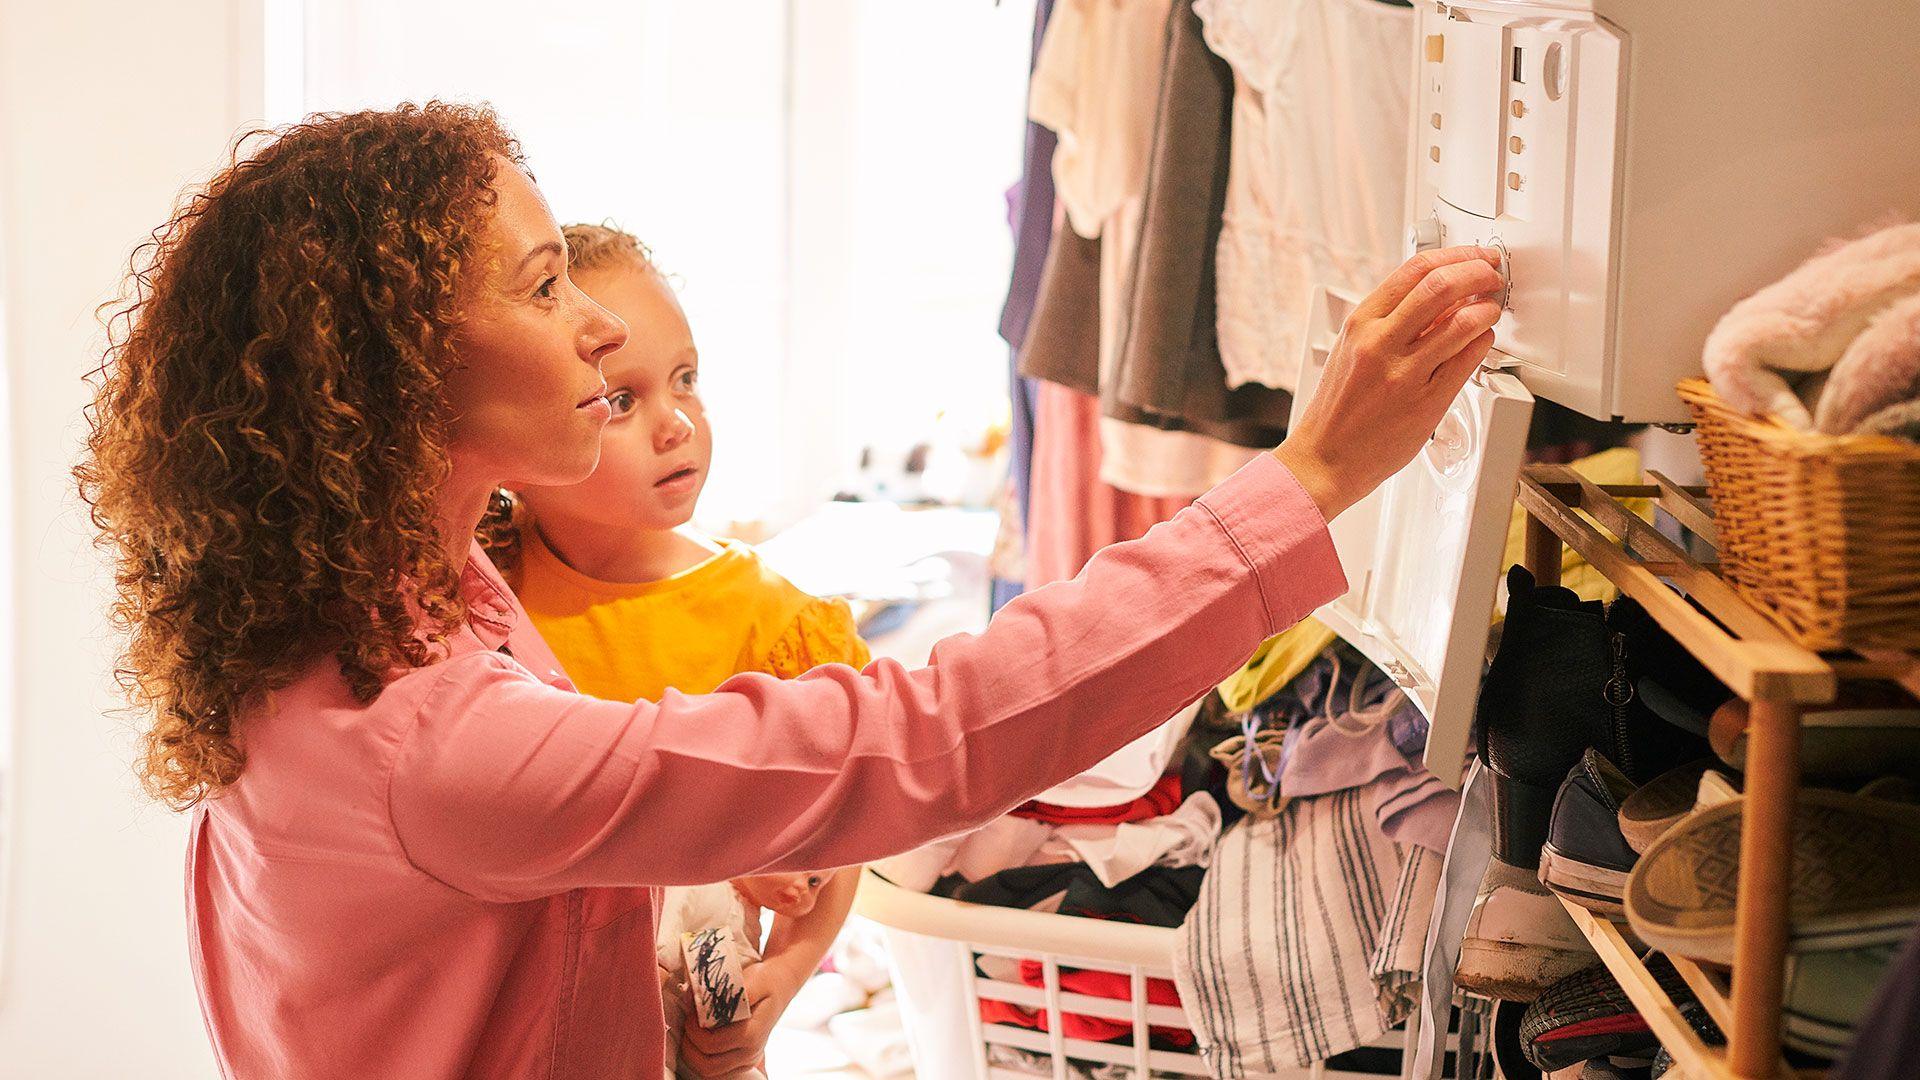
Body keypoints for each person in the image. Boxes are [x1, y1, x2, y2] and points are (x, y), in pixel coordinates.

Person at [76, 103, 1504, 1079]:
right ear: (397, 371)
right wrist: (1304, 479)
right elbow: (921, 735)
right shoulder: (429, 735)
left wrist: (684, 961)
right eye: (539, 285)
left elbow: (474, 955)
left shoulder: (355, 605)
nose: (589, 322)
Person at [480, 223, 868, 1072]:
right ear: (514, 444)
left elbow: (842, 835)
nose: (676, 425)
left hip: (706, 1018)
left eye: (686, 381)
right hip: (537, 1023)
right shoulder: (483, 599)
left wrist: (790, 972)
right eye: (623, 400)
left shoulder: (774, 621)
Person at [655, 871, 833, 1080]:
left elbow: (720, 980)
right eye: (796, 866)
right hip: (660, 1028)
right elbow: (660, 951)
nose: (804, 888)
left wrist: (740, 1043)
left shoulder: (749, 919)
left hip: (704, 1044)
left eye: (814, 883)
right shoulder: (700, 886)